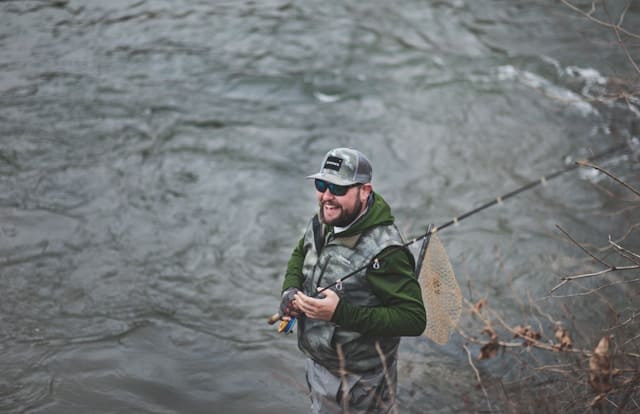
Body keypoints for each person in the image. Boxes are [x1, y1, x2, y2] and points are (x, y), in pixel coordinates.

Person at [277, 147, 426, 413]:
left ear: (365, 191)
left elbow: (414, 319)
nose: (326, 196)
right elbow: (300, 252)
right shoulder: (325, 218)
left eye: (338, 188)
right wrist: (290, 290)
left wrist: (340, 313)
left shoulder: (387, 252)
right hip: (319, 362)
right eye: (321, 185)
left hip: (359, 381)